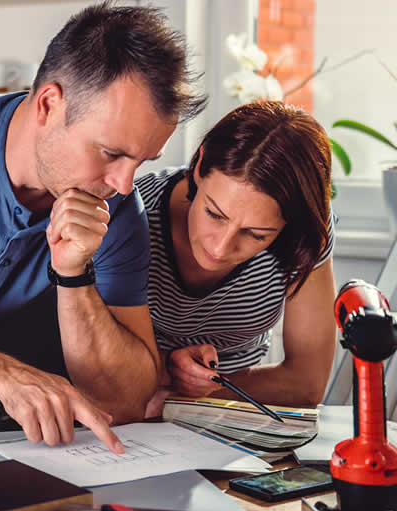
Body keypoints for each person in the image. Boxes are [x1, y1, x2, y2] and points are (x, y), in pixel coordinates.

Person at [0, 2, 207, 448]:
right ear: (49, 105)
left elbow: (128, 400)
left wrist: (74, 274)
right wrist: (2, 375)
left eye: (142, 161)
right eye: (112, 153)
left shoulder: (117, 208)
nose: (124, 183)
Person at [136, 101, 336, 416]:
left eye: (256, 234)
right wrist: (161, 369)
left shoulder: (305, 233)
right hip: (132, 408)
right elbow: (90, 359)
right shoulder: (131, 216)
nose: (220, 249)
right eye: (214, 214)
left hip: (231, 414)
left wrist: (195, 393)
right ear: (199, 168)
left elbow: (307, 383)